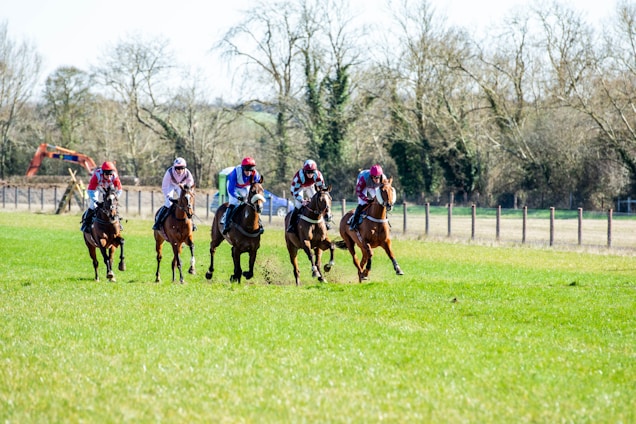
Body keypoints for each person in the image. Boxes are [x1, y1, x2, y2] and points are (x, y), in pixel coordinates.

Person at [153, 157, 196, 231]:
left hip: (182, 186)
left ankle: (192, 223)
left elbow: (191, 184)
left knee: (186, 202)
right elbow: (165, 186)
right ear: (174, 167)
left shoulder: (187, 173)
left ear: (184, 168)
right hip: (171, 185)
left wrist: (188, 191)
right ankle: (158, 222)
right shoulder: (169, 172)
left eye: (182, 168)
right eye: (177, 168)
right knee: (168, 203)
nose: (179, 170)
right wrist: (168, 196)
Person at [222, 156, 262, 235]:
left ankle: (259, 223)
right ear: (243, 168)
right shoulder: (235, 172)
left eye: (250, 170)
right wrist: (238, 197)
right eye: (246, 170)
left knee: (252, 203)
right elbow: (231, 189)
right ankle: (226, 223)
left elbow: (257, 185)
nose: (248, 173)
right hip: (234, 187)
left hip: (245, 187)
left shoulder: (255, 174)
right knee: (234, 202)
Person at [81, 161, 123, 232]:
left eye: (110, 174)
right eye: (107, 174)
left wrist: (115, 199)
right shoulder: (96, 175)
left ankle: (118, 222)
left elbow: (119, 190)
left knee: (113, 206)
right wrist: (96, 201)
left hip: (109, 188)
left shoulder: (114, 176)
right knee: (93, 205)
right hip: (97, 188)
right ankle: (86, 223)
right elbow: (90, 191)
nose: (109, 177)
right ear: (102, 172)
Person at [286, 159, 327, 233]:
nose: (310, 174)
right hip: (299, 188)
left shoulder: (318, 175)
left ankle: (325, 222)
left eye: (312, 172)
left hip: (310, 186)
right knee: (298, 206)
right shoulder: (298, 177)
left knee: (318, 202)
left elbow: (322, 188)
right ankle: (291, 225)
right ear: (304, 171)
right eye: (308, 172)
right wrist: (302, 200)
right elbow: (293, 192)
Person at [350, 164, 386, 231]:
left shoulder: (384, 179)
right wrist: (366, 199)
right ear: (371, 176)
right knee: (362, 203)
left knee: (379, 201)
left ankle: (384, 220)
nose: (377, 180)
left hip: (373, 186)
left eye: (379, 177)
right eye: (375, 178)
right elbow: (358, 191)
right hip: (364, 185)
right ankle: (354, 223)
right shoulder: (364, 178)